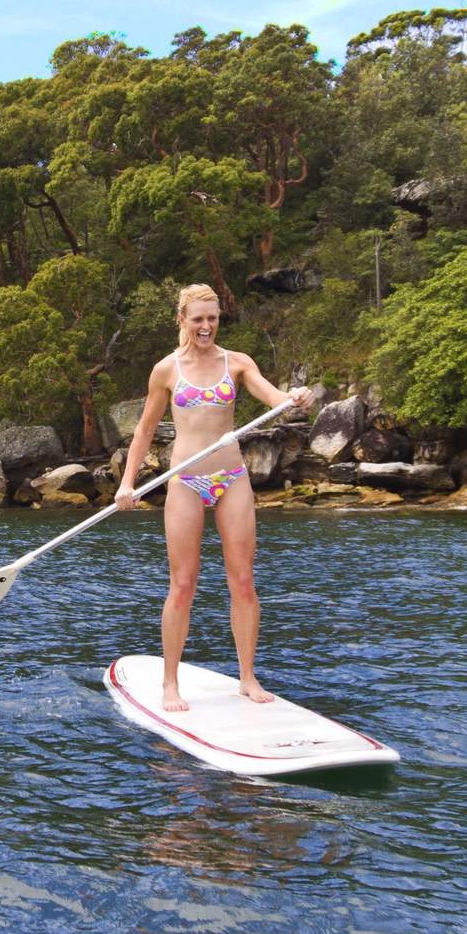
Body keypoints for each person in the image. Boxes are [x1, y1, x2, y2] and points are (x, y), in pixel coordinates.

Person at [114, 285, 313, 712]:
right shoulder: (166, 370)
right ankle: (170, 683)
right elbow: (145, 431)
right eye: (198, 319)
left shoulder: (237, 362)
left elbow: (273, 397)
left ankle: (247, 677)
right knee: (183, 585)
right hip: (185, 481)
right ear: (182, 320)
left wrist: (293, 398)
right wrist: (127, 483)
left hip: (232, 478)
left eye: (213, 318)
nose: (206, 326)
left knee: (243, 582)